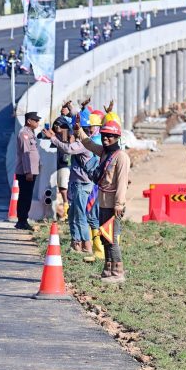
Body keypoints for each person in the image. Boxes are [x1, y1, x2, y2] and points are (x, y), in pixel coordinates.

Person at [76, 119, 131, 284]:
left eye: (110, 136)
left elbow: (122, 182)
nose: (106, 139)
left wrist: (119, 204)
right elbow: (89, 144)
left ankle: (118, 271)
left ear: (117, 138)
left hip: (114, 204)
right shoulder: (105, 152)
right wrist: (78, 130)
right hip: (103, 202)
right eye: (105, 136)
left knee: (112, 238)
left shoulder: (121, 157)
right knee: (104, 237)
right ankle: (107, 269)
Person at [43, 109, 100, 259]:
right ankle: (76, 243)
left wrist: (53, 138)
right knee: (73, 214)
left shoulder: (85, 143)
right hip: (77, 183)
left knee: (80, 215)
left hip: (82, 184)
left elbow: (68, 149)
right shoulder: (84, 140)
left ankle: (86, 246)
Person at [13, 112, 42, 231]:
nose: (37, 123)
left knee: (27, 195)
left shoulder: (30, 133)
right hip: (26, 172)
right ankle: (22, 221)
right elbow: (26, 154)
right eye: (35, 120)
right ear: (29, 121)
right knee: (25, 196)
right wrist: (28, 171)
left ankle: (23, 219)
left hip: (31, 171)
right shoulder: (24, 133)